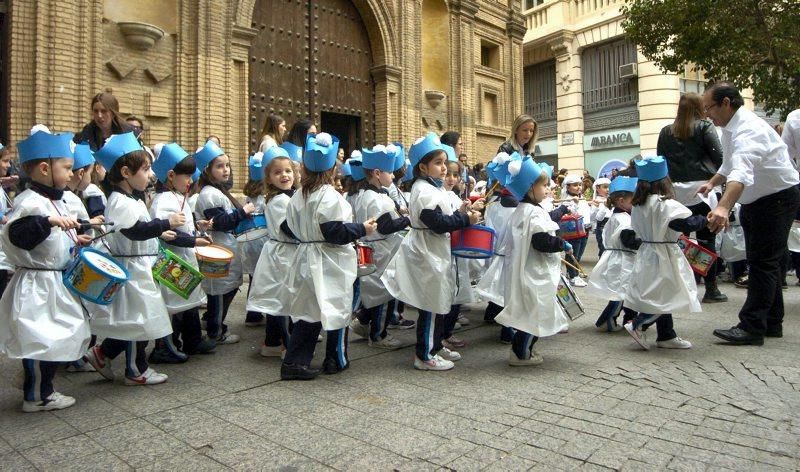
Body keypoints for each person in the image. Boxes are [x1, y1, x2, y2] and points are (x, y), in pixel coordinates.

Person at [698, 83, 800, 345]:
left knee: (763, 263)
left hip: (776, 199)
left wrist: (723, 207)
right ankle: (771, 322)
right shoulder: (730, 128)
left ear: (726, 104)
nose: (707, 114)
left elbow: (741, 174)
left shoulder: (748, 129)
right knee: (768, 262)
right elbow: (730, 164)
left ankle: (752, 327)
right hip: (758, 200)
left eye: (709, 107)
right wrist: (713, 181)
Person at [0, 129, 91, 411]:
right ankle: (37, 395)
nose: (70, 174)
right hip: (38, 285)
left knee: (54, 337)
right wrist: (49, 221)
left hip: (52, 281)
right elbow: (19, 233)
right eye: (66, 168)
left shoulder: (53, 198)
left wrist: (76, 237)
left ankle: (41, 387)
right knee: (41, 339)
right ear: (44, 168)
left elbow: (52, 240)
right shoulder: (31, 201)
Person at [279, 133, 376, 379]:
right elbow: (334, 232)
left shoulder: (299, 195)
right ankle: (335, 359)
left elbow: (287, 227)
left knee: (308, 312)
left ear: (303, 167)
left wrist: (306, 235)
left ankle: (294, 362)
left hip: (305, 257)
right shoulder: (330, 196)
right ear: (333, 168)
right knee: (337, 308)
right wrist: (362, 228)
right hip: (329, 260)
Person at [83, 132, 177, 385]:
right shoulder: (121, 201)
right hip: (133, 268)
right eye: (145, 169)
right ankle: (136, 370)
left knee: (135, 318)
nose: (150, 175)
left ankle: (102, 353)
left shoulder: (127, 198)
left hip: (139, 264)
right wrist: (164, 222)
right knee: (140, 320)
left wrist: (159, 230)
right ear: (126, 172)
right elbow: (134, 231)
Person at [382, 133, 480, 371]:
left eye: (445, 162)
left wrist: (462, 213)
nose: (444, 168)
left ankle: (434, 345)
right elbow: (436, 221)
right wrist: (465, 219)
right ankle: (424, 354)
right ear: (423, 167)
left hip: (434, 250)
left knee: (438, 300)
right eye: (438, 163)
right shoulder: (423, 190)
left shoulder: (432, 187)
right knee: (430, 304)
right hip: (426, 251)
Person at [495, 155, 571, 366]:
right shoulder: (535, 213)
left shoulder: (521, 210)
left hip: (524, 268)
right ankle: (521, 353)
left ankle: (523, 350)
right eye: (544, 185)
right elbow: (541, 241)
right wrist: (560, 244)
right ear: (530, 188)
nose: (548, 189)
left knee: (528, 311)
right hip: (535, 271)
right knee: (535, 314)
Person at [622, 157, 703, 350]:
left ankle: (666, 335)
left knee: (660, 293)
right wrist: (706, 219)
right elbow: (684, 224)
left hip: (648, 253)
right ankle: (638, 324)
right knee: (668, 293)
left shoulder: (639, 204)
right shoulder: (664, 204)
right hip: (664, 253)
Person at [149, 143, 216, 363]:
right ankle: (164, 346)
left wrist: (199, 227)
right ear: (170, 175)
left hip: (183, 260)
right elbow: (167, 233)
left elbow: (184, 225)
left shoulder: (178, 196)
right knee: (174, 306)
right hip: (171, 261)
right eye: (186, 176)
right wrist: (195, 240)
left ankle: (192, 340)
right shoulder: (163, 201)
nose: (190, 180)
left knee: (188, 301)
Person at [657, 93, 727, 303]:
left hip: (676, 193)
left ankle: (682, 284)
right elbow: (720, 157)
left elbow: (661, 161)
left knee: (678, 240)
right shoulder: (705, 127)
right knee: (707, 240)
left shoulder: (665, 131)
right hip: (703, 191)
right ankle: (711, 288)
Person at [194, 140, 256, 344]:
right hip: (217, 247)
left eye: (227, 165)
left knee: (227, 287)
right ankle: (215, 330)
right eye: (219, 166)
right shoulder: (209, 194)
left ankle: (214, 323)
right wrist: (242, 211)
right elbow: (219, 222)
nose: (225, 170)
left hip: (226, 245)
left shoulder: (218, 191)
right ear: (208, 170)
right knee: (219, 290)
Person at [349, 144, 409, 349]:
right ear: (377, 173)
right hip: (381, 249)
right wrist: (407, 220)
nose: (392, 176)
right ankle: (378, 335)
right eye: (390, 172)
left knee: (373, 291)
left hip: (371, 248)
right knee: (385, 292)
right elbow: (385, 226)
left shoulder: (364, 193)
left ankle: (364, 323)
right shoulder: (376, 198)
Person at [246, 146, 296, 357]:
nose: (284, 175)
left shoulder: (287, 197)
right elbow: (289, 228)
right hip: (284, 254)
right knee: (285, 301)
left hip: (284, 252)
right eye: (278, 172)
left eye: (288, 171)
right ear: (268, 178)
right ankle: (288, 345)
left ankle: (272, 342)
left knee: (279, 300)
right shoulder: (279, 200)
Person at [587, 176, 639, 332]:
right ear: (621, 201)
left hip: (617, 258)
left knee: (623, 292)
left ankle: (628, 319)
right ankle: (607, 320)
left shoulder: (616, 217)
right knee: (619, 294)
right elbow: (628, 240)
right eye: (633, 200)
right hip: (623, 260)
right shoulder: (624, 220)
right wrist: (642, 242)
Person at [239, 153, 269, 327]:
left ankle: (253, 313)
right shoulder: (265, 197)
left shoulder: (250, 196)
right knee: (262, 278)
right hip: (262, 240)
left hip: (250, 241)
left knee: (253, 278)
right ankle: (255, 312)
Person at [561, 174, 591, 286]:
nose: (578, 187)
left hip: (585, 229)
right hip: (573, 231)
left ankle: (574, 273)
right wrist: (575, 203)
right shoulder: (566, 199)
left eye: (579, 185)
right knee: (573, 254)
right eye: (575, 185)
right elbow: (569, 213)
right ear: (567, 187)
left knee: (579, 254)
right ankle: (573, 276)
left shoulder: (581, 197)